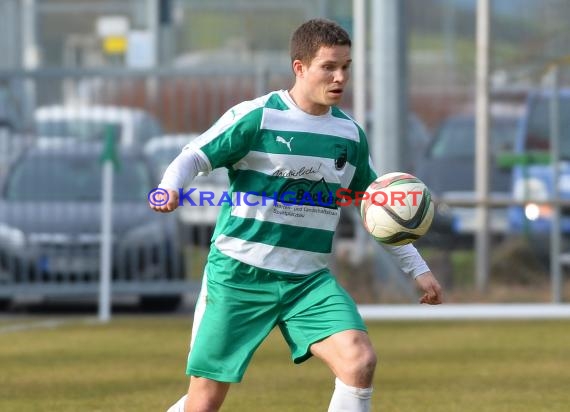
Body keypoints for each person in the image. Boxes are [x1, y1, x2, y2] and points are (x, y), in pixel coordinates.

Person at [150, 18, 443, 412]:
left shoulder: (349, 135)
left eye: (346, 67)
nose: (340, 77)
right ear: (300, 68)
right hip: (239, 276)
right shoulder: (258, 117)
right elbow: (194, 156)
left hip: (307, 282)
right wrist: (171, 187)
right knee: (204, 403)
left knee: (359, 361)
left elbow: (378, 206)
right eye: (329, 67)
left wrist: (417, 269)